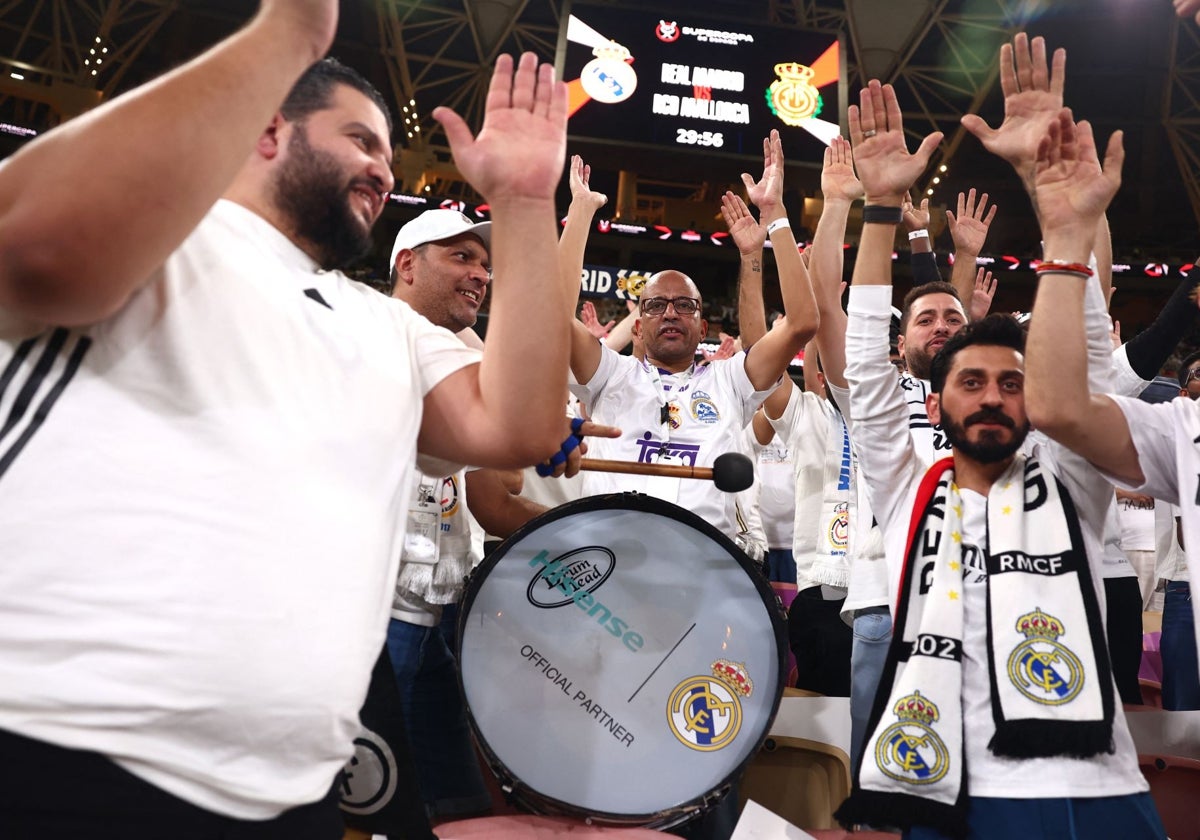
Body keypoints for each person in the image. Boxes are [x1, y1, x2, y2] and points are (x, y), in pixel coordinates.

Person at [0, 2, 575, 835]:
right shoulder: (155, 235)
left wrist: (525, 202)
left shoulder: (388, 325)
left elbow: (515, 428)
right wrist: (291, 33)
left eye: (388, 150)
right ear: (268, 129)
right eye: (360, 140)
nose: (385, 169)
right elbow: (35, 242)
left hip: (288, 793)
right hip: (59, 754)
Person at [834, 75, 1160, 839]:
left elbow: (1087, 360)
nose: (989, 396)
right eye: (970, 381)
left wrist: (1062, 221)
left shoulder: (1073, 472)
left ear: (1035, 399)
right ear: (937, 402)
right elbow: (863, 361)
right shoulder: (905, 482)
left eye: (1011, 383)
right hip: (947, 781)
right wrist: (880, 211)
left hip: (1095, 782)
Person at [568, 130, 819, 542]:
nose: (670, 312)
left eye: (685, 305)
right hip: (608, 559)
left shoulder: (729, 381)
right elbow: (555, 317)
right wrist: (581, 212)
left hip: (704, 569)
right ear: (638, 325)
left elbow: (803, 323)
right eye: (655, 305)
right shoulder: (609, 374)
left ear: (703, 327)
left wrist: (775, 215)